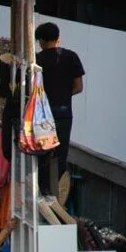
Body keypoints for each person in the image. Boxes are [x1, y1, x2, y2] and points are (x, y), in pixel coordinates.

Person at [35, 22, 85, 199]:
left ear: (41, 41)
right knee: (60, 154)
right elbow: (78, 87)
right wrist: (63, 95)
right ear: (58, 38)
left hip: (42, 115)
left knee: (42, 153)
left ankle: (43, 192)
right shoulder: (71, 57)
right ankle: (56, 195)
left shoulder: (37, 60)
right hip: (64, 113)